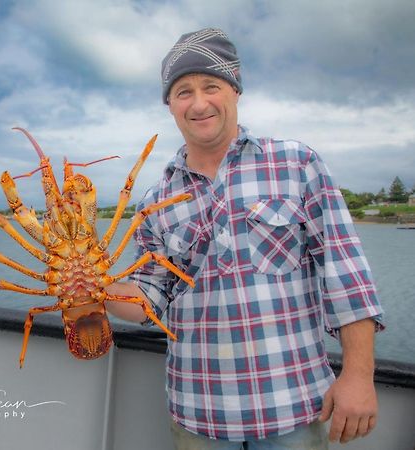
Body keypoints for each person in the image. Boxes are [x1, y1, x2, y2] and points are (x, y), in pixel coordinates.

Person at [105, 28, 384, 449]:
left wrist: (359, 377)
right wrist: (95, 289)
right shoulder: (155, 201)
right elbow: (150, 300)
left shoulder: (296, 163)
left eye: (210, 86)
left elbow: (347, 278)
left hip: (296, 408)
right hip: (198, 415)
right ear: (169, 105)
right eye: (183, 91)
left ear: (235, 90)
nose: (198, 103)